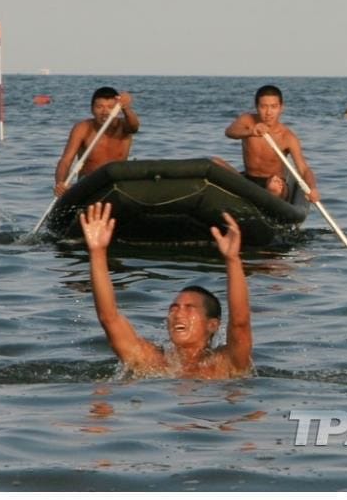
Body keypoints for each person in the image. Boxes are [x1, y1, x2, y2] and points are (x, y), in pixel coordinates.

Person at [79, 201, 253, 379]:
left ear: (212, 324)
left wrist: (233, 260)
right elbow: (109, 318)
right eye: (174, 308)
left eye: (189, 308)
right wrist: (97, 252)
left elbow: (240, 323)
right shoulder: (149, 360)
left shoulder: (227, 363)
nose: (178, 314)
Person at [224, 84, 320, 203]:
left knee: (273, 186)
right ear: (257, 107)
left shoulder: (288, 137)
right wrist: (251, 132)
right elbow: (230, 132)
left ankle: (268, 209)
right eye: (263, 107)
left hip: (275, 182)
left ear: (281, 108)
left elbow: (304, 169)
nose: (269, 112)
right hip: (249, 178)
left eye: (274, 107)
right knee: (216, 162)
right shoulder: (247, 120)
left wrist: (313, 188)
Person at [54, 87, 139, 197]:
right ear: (92, 109)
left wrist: (126, 108)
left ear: (118, 109)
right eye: (99, 107)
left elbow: (134, 127)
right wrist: (61, 183)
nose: (105, 112)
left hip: (116, 185)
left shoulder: (124, 126)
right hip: (89, 185)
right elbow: (66, 160)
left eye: (110, 107)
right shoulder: (82, 128)